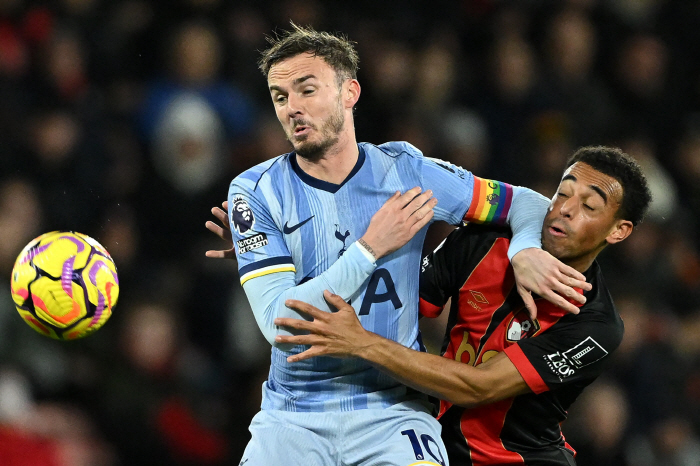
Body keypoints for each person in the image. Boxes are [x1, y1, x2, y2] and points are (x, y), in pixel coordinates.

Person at [205, 23, 591, 465]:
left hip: (393, 412)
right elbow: (279, 325)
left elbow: (524, 202)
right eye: (279, 96)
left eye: (306, 90)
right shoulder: (255, 190)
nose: (292, 108)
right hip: (294, 418)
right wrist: (370, 248)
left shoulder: (407, 173)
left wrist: (524, 250)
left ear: (349, 92)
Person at [275, 146, 652, 465]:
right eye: (563, 193)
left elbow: (478, 388)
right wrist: (277, 253)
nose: (566, 209)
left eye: (589, 206)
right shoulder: (482, 241)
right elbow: (391, 301)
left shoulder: (596, 325)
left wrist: (362, 342)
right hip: (433, 444)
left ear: (619, 230)